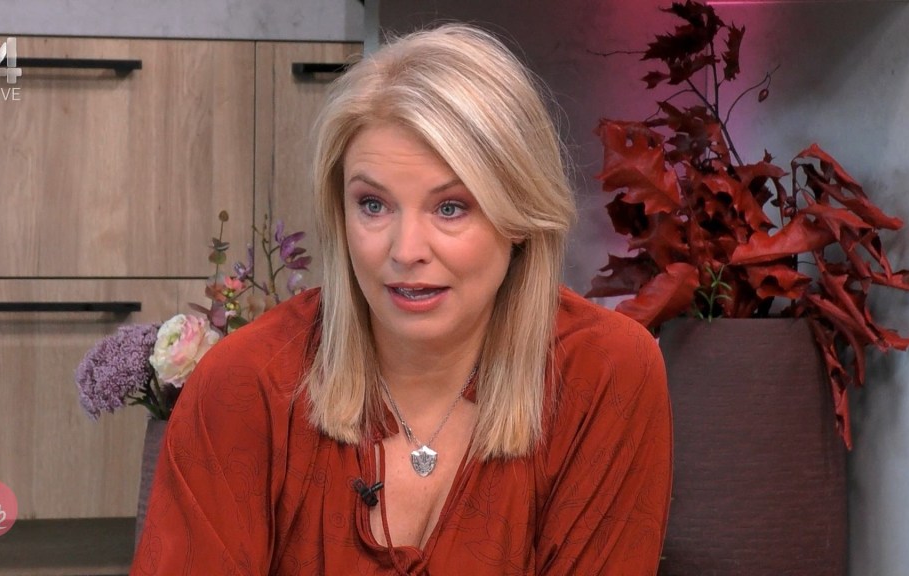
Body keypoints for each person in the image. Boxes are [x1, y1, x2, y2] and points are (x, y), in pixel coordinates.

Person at [131, 23, 671, 576]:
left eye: (450, 207)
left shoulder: (605, 372)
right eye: (373, 205)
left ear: (519, 217)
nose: (406, 251)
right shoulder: (244, 382)